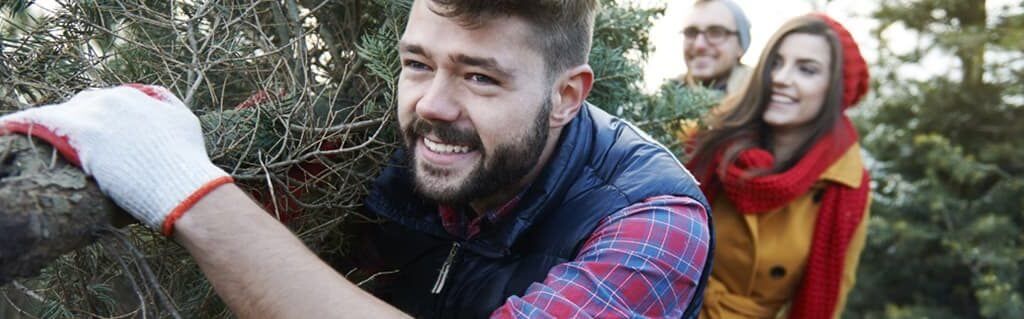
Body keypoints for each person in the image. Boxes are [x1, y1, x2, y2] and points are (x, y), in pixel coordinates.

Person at [0, 0, 714, 318]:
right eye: (416, 62)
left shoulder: (652, 218)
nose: (432, 104)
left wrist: (182, 185)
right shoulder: (380, 133)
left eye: (480, 76)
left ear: (566, 96)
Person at [683, 13, 872, 319]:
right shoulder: (707, 136)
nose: (781, 78)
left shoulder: (845, 188)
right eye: (775, 63)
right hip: (665, 306)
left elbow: (831, 298)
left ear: (835, 90)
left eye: (807, 70)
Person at [677, 0, 753, 93]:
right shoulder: (663, 100)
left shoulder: (764, 99)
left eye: (716, 33)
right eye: (691, 32)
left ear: (740, 46)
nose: (699, 45)